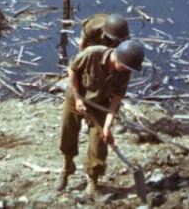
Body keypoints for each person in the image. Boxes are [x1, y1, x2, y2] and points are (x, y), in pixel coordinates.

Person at [56, 39, 145, 196]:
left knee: (99, 145)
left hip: (100, 104)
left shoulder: (125, 71)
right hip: (76, 96)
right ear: (117, 58)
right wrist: (77, 99)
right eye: (125, 67)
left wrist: (107, 126)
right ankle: (67, 166)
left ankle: (93, 178)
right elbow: (72, 71)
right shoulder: (92, 53)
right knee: (67, 134)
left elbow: (116, 100)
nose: (126, 71)